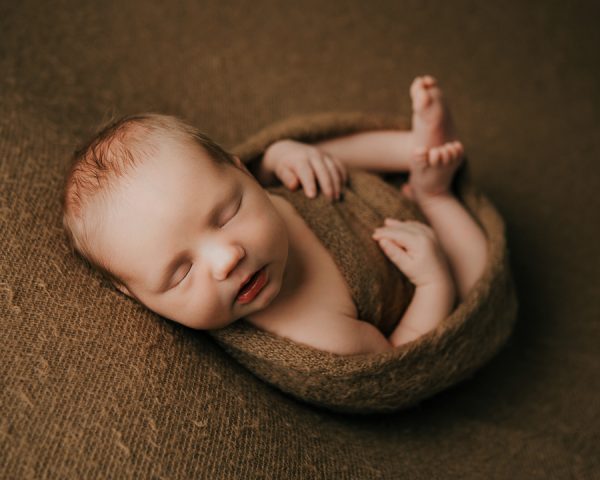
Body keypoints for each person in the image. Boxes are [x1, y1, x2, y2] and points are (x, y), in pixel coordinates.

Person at [61, 75, 487, 355]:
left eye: (227, 215)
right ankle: (436, 194)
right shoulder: (321, 338)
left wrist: (280, 157)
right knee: (478, 269)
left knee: (314, 161)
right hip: (419, 271)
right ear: (136, 296)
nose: (227, 259)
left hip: (350, 195)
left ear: (241, 172)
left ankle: (414, 149)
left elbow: (263, 167)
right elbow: (400, 357)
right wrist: (433, 283)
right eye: (181, 273)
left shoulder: (251, 179)